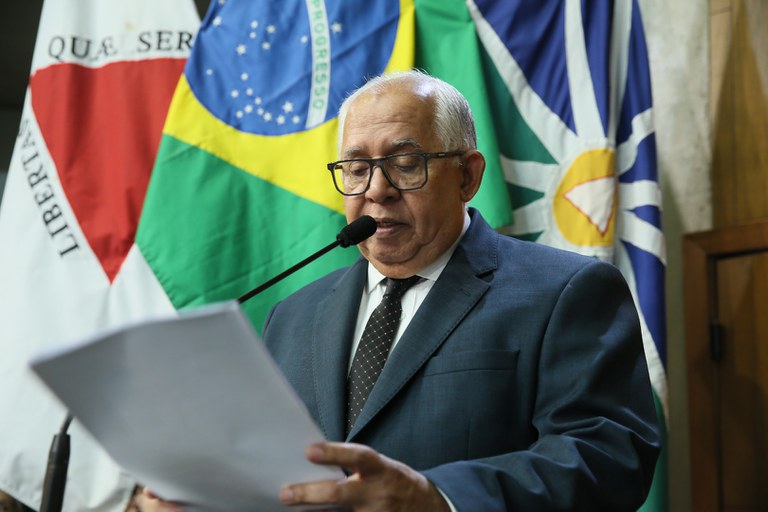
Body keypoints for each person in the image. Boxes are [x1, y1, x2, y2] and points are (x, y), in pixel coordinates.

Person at [143, 70, 659, 511]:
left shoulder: (564, 291)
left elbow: (610, 457)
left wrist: (438, 497)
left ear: (467, 176)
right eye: (356, 168)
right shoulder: (293, 315)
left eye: (405, 164)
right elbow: (275, 473)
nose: (376, 189)